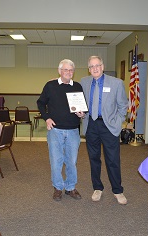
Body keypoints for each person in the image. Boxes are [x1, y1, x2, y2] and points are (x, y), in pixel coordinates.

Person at [79, 55, 128, 205]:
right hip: (91, 124)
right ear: (89, 69)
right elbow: (82, 102)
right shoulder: (84, 82)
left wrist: (117, 122)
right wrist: (81, 113)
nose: (95, 68)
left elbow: (123, 106)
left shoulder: (116, 83)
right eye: (92, 66)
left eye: (97, 65)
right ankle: (97, 188)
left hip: (109, 126)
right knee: (94, 158)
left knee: (112, 159)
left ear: (103, 66)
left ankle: (118, 190)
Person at [37, 59, 84, 201]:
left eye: (71, 70)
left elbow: (82, 106)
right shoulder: (50, 86)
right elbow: (40, 103)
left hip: (73, 130)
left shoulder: (77, 86)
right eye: (65, 70)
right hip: (55, 130)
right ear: (59, 71)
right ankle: (58, 187)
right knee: (56, 161)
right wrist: (46, 118)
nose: (68, 72)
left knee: (71, 161)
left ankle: (70, 187)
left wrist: (82, 113)